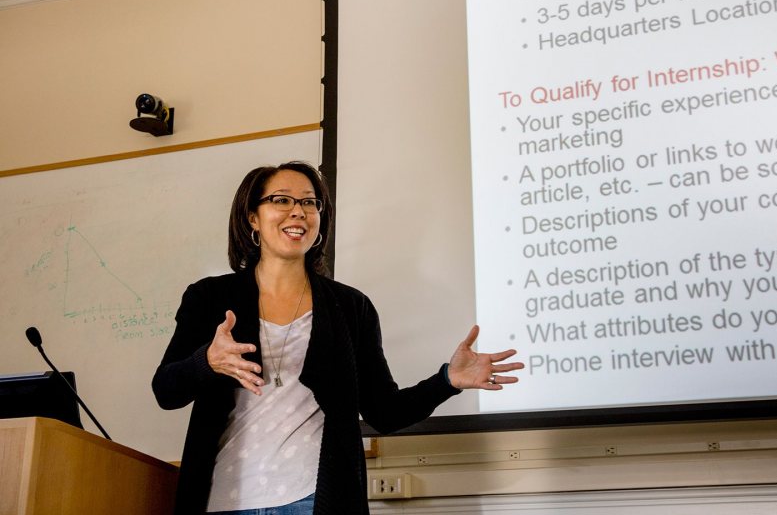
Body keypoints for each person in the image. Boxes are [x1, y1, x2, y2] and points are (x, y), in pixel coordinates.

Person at [152, 161, 523, 515]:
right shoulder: (209, 298)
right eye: (281, 199)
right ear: (253, 218)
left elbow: (384, 412)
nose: (298, 211)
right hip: (223, 496)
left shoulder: (350, 307)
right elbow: (166, 391)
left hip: (313, 497)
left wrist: (448, 381)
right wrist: (207, 361)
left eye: (309, 202)